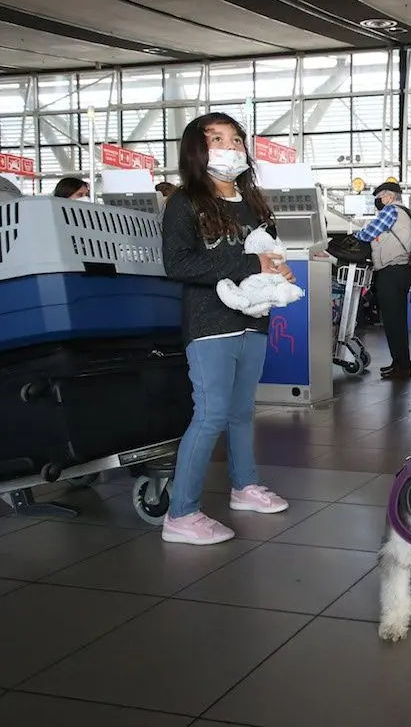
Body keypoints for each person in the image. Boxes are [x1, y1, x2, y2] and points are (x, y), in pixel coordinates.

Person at [159, 112, 291, 546]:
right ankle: (181, 513)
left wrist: (278, 272)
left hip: (253, 320)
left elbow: (266, 252)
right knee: (211, 413)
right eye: (216, 139)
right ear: (197, 148)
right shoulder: (186, 202)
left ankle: (245, 485)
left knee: (240, 411)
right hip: (210, 325)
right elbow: (178, 264)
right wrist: (252, 263)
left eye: (235, 139)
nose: (229, 147)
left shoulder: (253, 202)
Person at [353, 181, 411, 378]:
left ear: (388, 196)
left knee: (393, 320)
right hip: (400, 271)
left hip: (392, 271)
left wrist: (354, 235)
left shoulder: (391, 211)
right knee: (396, 320)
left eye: (378, 198)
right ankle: (400, 363)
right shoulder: (404, 212)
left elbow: (367, 233)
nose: (377, 202)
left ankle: (402, 366)